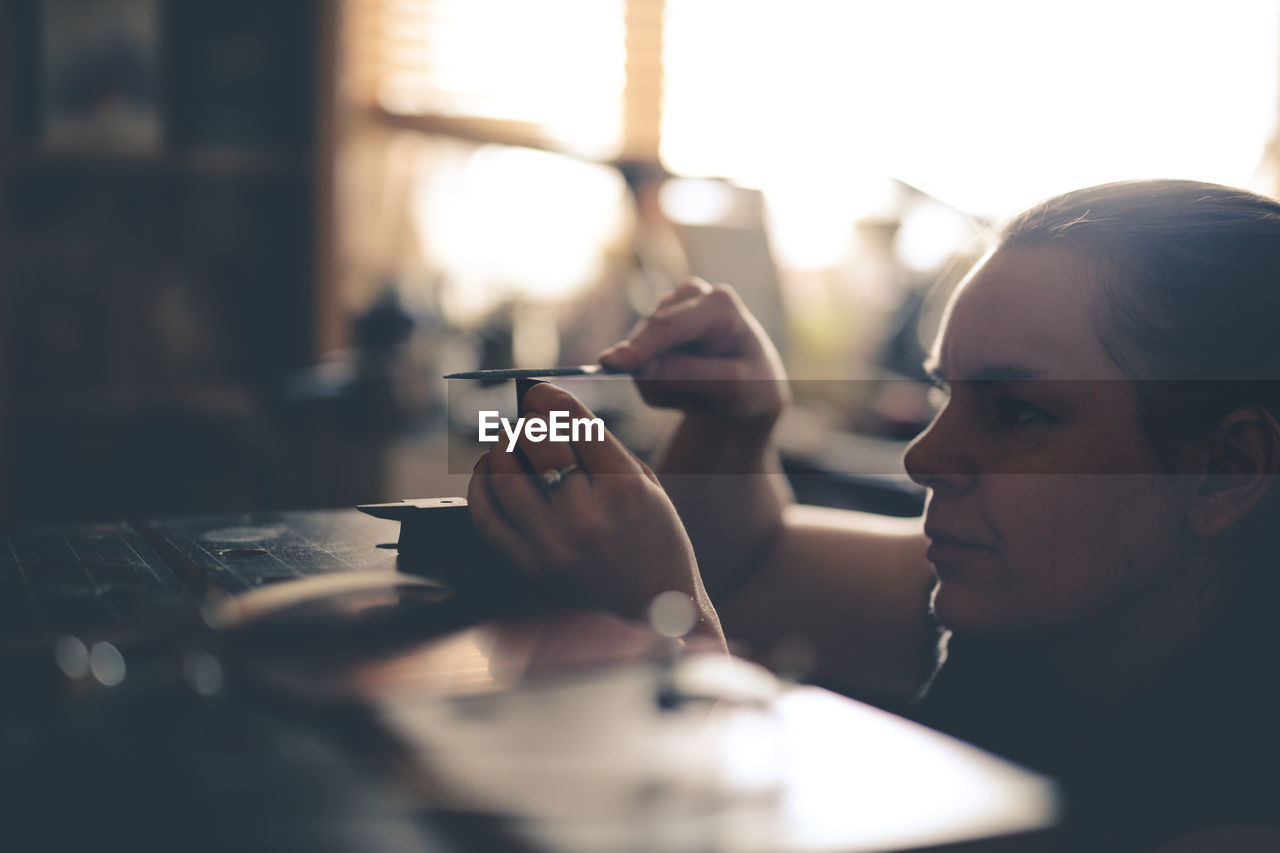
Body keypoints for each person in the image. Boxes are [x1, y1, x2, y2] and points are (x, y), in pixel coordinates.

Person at [467, 179, 1280, 850]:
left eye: (1020, 413)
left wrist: (677, 654)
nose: (923, 457)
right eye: (944, 392)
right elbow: (753, 567)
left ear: (1224, 470)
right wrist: (735, 425)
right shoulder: (1039, 606)